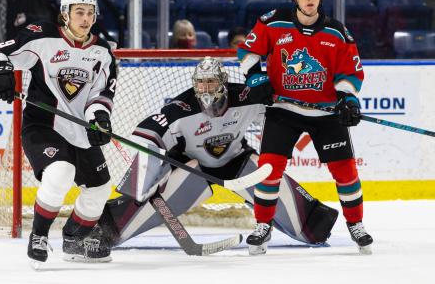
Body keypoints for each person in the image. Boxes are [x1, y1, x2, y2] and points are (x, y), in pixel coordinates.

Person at [96, 57, 339, 252]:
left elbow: (285, 109)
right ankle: (101, 232)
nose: (206, 88)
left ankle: (310, 224)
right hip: (192, 168)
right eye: (201, 82)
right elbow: (146, 132)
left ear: (223, 82)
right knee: (132, 217)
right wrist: (147, 178)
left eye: (212, 82)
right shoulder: (180, 108)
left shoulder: (246, 97)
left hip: (237, 161)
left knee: (311, 229)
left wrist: (322, 108)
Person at [237, 0, 372, 255]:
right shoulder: (273, 22)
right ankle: (262, 226)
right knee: (269, 170)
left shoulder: (337, 32)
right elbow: (248, 52)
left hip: (326, 113)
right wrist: (255, 77)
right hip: (283, 110)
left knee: (346, 172)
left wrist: (348, 97)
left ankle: (356, 224)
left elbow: (351, 71)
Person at [0, 0, 117, 265]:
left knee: (100, 189)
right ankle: (39, 236)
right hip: (43, 125)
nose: (85, 18)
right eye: (79, 12)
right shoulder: (43, 36)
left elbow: (100, 95)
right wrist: (1, 73)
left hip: (80, 131)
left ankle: (74, 238)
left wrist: (99, 118)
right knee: (61, 172)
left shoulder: (103, 52)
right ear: (65, 14)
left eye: (90, 13)